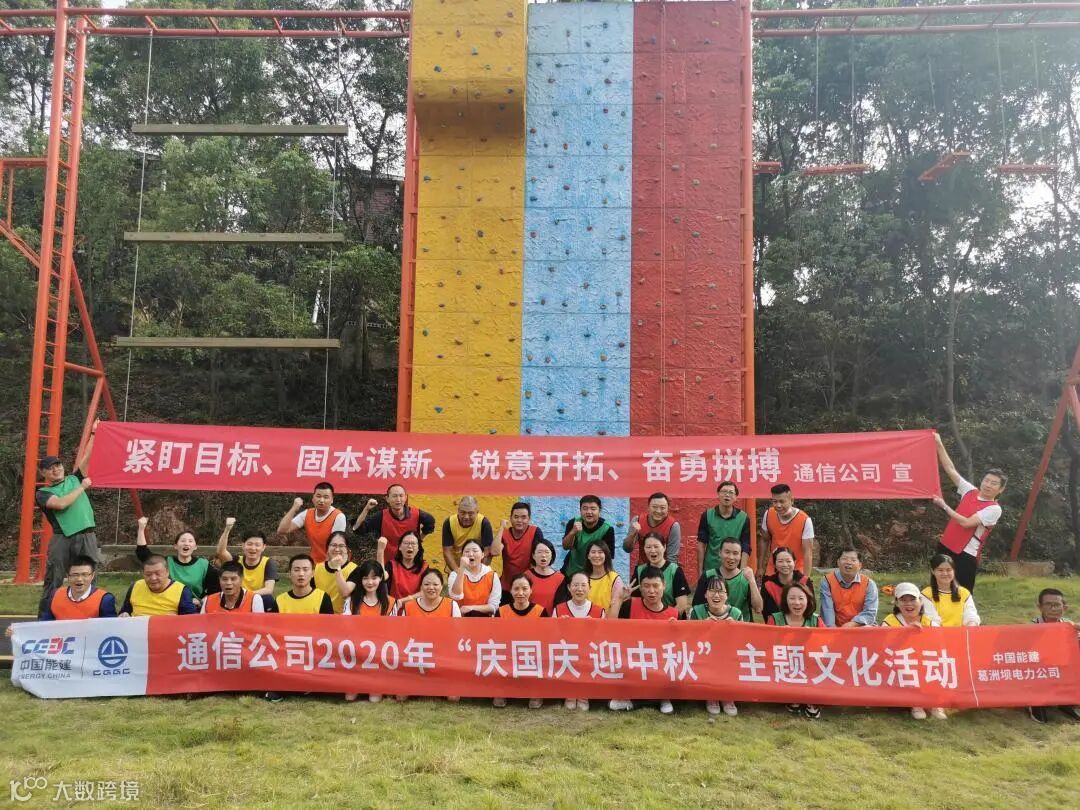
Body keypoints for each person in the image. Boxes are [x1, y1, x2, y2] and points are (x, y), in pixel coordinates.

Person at [33, 422, 101, 617]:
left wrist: (94, 433)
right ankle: (45, 619)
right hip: (63, 538)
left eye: (58, 465)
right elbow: (61, 504)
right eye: (50, 468)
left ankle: (90, 616)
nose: (56, 470)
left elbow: (87, 457)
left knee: (90, 578)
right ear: (43, 473)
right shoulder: (43, 492)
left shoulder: (74, 478)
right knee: (54, 579)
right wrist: (82, 487)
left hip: (87, 536)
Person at [932, 433, 1006, 592]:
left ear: (1000, 489)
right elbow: (950, 469)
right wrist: (938, 443)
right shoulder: (970, 491)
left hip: (966, 553)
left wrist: (944, 506)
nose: (988, 485)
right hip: (946, 544)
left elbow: (966, 523)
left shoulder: (994, 508)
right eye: (986, 480)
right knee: (938, 587)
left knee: (962, 592)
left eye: (994, 483)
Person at [607, 567, 679, 714]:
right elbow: (610, 628)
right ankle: (653, 700)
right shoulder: (630, 605)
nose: (651, 591)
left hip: (660, 665)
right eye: (646, 586)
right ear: (640, 588)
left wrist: (676, 629)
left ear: (664, 586)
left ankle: (661, 698)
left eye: (656, 586)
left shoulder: (674, 614)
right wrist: (619, 599)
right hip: (633, 662)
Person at [881, 582, 945, 721]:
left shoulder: (929, 622)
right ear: (897, 603)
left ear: (920, 602)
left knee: (935, 663)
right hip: (900, 663)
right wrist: (904, 634)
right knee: (907, 664)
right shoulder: (889, 622)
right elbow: (885, 649)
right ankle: (916, 703)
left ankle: (935, 703)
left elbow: (940, 647)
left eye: (912, 599)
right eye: (903, 600)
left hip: (923, 662)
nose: (908, 604)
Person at [135, 517, 219, 609]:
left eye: (190, 541)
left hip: (194, 607)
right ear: (175, 546)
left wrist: (202, 601)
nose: (186, 543)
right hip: (168, 605)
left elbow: (215, 589)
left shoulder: (203, 565)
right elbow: (143, 553)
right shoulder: (166, 562)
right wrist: (141, 529)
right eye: (183, 541)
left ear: (195, 546)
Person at [688, 574, 740, 717]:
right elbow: (689, 641)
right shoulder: (696, 611)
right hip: (704, 657)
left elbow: (742, 644)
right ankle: (711, 695)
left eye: (721, 591)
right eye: (712, 591)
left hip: (727, 658)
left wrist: (735, 629)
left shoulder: (736, 614)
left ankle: (727, 696)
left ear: (727, 595)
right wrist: (702, 628)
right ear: (705, 594)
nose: (716, 595)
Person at [344, 560, 396, 703]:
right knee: (349, 697)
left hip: (379, 655)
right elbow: (346, 627)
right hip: (356, 653)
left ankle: (378, 681)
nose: (370, 582)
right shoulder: (351, 601)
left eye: (374, 578)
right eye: (365, 578)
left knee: (374, 699)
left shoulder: (391, 602)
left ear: (381, 578)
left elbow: (393, 632)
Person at [551, 570, 604, 711]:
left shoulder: (599, 611)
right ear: (569, 588)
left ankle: (584, 695)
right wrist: (560, 628)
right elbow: (552, 639)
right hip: (566, 654)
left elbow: (602, 641)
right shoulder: (559, 609)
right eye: (575, 585)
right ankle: (569, 694)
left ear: (589, 588)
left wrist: (593, 629)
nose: (579, 589)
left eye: (583, 585)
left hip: (588, 655)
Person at [493, 574, 546, 709]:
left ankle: (535, 692)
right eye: (516, 589)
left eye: (524, 588)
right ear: (510, 591)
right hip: (508, 654)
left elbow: (546, 640)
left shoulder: (541, 611)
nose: (520, 593)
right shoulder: (501, 611)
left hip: (532, 656)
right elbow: (496, 638)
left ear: (531, 590)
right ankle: (502, 690)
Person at [1028, 588, 1080, 723]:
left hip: (1062, 668)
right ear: (1040, 607)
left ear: (1064, 607)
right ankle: (1035, 702)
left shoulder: (1070, 626)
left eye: (1057, 605)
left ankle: (1067, 702)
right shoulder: (1031, 627)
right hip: (1040, 670)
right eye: (1048, 604)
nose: (1053, 608)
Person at [352, 483, 436, 563]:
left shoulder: (416, 514)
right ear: (387, 499)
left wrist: (419, 539)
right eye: (394, 496)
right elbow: (358, 529)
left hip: (412, 563)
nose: (398, 500)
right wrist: (366, 509)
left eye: (401, 496)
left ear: (405, 497)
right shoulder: (382, 516)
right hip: (389, 564)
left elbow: (430, 522)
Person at [692, 537, 762, 622]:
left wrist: (752, 581)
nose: (731, 557)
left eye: (735, 553)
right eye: (727, 552)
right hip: (712, 626)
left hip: (741, 627)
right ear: (720, 553)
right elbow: (696, 608)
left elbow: (758, 609)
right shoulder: (707, 576)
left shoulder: (746, 578)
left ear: (740, 556)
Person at [276, 482, 347, 564]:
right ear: (313, 498)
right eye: (318, 496)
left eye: (326, 497)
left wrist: (325, 568)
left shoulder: (338, 516)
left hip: (334, 563)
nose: (321, 500)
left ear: (332, 500)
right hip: (314, 563)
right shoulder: (307, 514)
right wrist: (294, 509)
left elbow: (336, 548)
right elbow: (282, 530)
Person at [214, 519, 278, 606]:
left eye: (257, 545)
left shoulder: (268, 563)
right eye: (249, 544)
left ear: (263, 547)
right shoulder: (236, 560)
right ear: (243, 545)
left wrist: (246, 595)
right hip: (236, 599)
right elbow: (221, 552)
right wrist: (227, 529)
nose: (253, 548)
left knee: (268, 599)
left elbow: (268, 589)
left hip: (256, 598)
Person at [489, 501, 546, 594]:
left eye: (523, 517)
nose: (519, 520)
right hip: (506, 586)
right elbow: (494, 552)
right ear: (510, 518)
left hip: (527, 586)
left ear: (529, 519)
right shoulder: (505, 534)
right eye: (516, 517)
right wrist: (501, 528)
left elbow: (539, 559)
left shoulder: (535, 532)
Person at [758, 483, 814, 576]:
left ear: (791, 500)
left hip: (796, 569)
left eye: (782, 501)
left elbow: (808, 553)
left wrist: (806, 578)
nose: (778, 505)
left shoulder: (805, 520)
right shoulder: (768, 514)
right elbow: (764, 540)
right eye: (775, 501)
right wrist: (760, 567)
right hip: (774, 568)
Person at [37, 556, 117, 621]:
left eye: (85, 575)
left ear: (92, 576)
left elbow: (109, 630)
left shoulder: (105, 599)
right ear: (68, 576)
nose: (79, 579)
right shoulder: (55, 595)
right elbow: (45, 625)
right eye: (75, 575)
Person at [629, 532, 690, 614]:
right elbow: (634, 601)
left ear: (664, 547)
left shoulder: (675, 570)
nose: (652, 550)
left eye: (656, 546)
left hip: (670, 618)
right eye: (648, 547)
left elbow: (681, 605)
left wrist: (664, 618)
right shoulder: (639, 570)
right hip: (646, 618)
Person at [119, 555, 198, 616]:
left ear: (167, 572)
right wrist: (124, 614)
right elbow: (125, 610)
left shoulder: (181, 590)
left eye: (158, 574)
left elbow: (191, 620)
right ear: (143, 574)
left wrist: (176, 619)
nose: (153, 578)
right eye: (148, 574)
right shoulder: (136, 586)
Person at [697, 481, 751, 572]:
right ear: (718, 494)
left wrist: (741, 572)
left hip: (734, 569)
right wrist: (700, 571)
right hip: (711, 568)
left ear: (736, 497)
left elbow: (746, 546)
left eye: (731, 492)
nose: (727, 495)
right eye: (724, 491)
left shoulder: (743, 518)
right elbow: (701, 544)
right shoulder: (707, 515)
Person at [819, 548, 878, 628]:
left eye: (853, 560)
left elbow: (870, 613)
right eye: (844, 559)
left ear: (860, 565)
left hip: (859, 626)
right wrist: (833, 629)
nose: (848, 562)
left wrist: (851, 624)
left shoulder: (869, 584)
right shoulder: (827, 581)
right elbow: (827, 609)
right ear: (838, 562)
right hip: (834, 627)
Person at [561, 495, 616, 577]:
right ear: (580, 510)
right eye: (585, 508)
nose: (589, 512)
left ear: (599, 510)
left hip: (594, 573)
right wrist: (572, 532)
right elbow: (566, 547)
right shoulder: (573, 523)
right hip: (572, 571)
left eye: (593, 509)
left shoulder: (607, 529)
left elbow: (609, 557)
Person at [624, 492, 681, 569]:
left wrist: (665, 574)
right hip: (643, 569)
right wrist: (633, 534)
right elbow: (627, 549)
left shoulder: (673, 526)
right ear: (648, 507)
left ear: (668, 509)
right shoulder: (637, 520)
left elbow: (672, 558)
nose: (658, 511)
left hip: (663, 570)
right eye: (654, 507)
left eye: (662, 508)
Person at [921, 553, 980, 627]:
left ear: (953, 571)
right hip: (937, 632)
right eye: (940, 570)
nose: (945, 573)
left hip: (962, 632)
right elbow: (932, 621)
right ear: (933, 571)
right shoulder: (926, 594)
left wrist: (971, 626)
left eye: (948, 570)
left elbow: (971, 616)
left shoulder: (964, 593)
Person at [447, 539, 501, 617]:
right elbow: (456, 596)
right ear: (462, 556)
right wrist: (461, 568)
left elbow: (494, 606)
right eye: (467, 551)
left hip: (483, 619)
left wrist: (472, 608)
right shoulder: (454, 575)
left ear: (482, 555)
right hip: (460, 618)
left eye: (475, 551)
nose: (471, 554)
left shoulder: (492, 576)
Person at [441, 496, 494, 573]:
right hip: (456, 564)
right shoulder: (449, 523)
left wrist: (479, 572)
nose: (466, 517)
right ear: (458, 511)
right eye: (462, 513)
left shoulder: (484, 523)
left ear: (477, 512)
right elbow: (447, 551)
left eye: (470, 513)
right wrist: (457, 571)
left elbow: (487, 552)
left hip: (477, 565)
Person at [313, 532, 358, 614]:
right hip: (320, 615)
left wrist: (337, 567)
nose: (337, 549)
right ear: (327, 548)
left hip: (342, 617)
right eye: (333, 545)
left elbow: (344, 593)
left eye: (341, 546)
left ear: (347, 549)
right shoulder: (318, 568)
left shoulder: (354, 569)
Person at [377, 532, 428, 604]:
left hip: (414, 607)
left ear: (418, 548)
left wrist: (401, 601)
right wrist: (380, 550)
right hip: (393, 608)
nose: (410, 546)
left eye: (413, 544)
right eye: (406, 543)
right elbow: (382, 577)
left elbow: (425, 592)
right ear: (400, 547)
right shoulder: (391, 565)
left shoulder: (424, 567)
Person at [761, 546, 811, 619]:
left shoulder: (804, 581)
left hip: (802, 622)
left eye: (788, 561)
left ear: (794, 562)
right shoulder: (768, 585)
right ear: (774, 564)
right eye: (780, 561)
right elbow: (767, 612)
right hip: (776, 623)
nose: (785, 565)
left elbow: (811, 607)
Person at [523, 538, 565, 615]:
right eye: (539, 552)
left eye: (547, 552)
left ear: (552, 555)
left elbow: (562, 605)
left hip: (553, 620)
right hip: (530, 618)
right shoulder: (526, 576)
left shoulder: (560, 579)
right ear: (533, 555)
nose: (543, 555)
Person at [583, 540, 624, 614]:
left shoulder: (614, 578)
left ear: (606, 555)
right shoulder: (583, 578)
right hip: (584, 620)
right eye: (593, 552)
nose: (596, 555)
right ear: (588, 556)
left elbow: (615, 609)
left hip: (607, 620)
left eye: (600, 552)